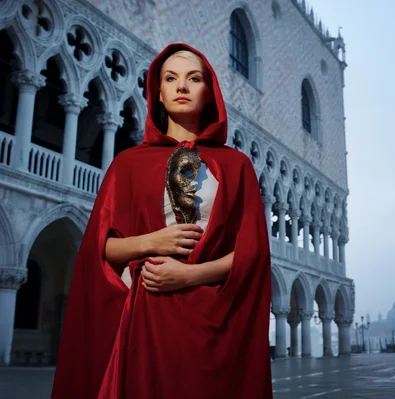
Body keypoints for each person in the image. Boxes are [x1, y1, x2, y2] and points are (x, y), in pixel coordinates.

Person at [51, 43, 273, 399]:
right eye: (171, 78)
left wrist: (189, 274)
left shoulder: (237, 166)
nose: (181, 87)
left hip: (214, 325)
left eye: (193, 78)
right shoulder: (127, 164)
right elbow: (100, 248)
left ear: (209, 91)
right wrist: (152, 242)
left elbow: (253, 253)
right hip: (146, 319)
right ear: (158, 92)